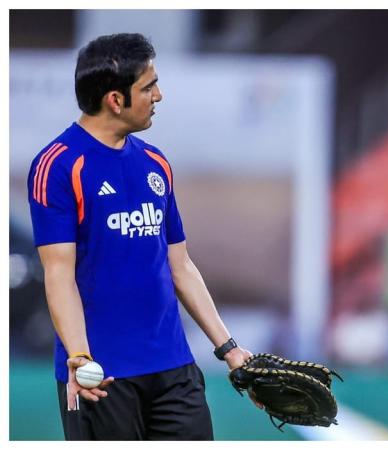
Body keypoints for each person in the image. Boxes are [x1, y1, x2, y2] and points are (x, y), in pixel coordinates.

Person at [28, 33, 261, 440]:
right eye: (149, 87)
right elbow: (58, 275)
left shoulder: (155, 162)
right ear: (115, 100)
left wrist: (229, 349)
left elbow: (180, 265)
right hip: (102, 377)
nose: (159, 96)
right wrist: (80, 358)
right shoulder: (58, 166)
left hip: (174, 370)